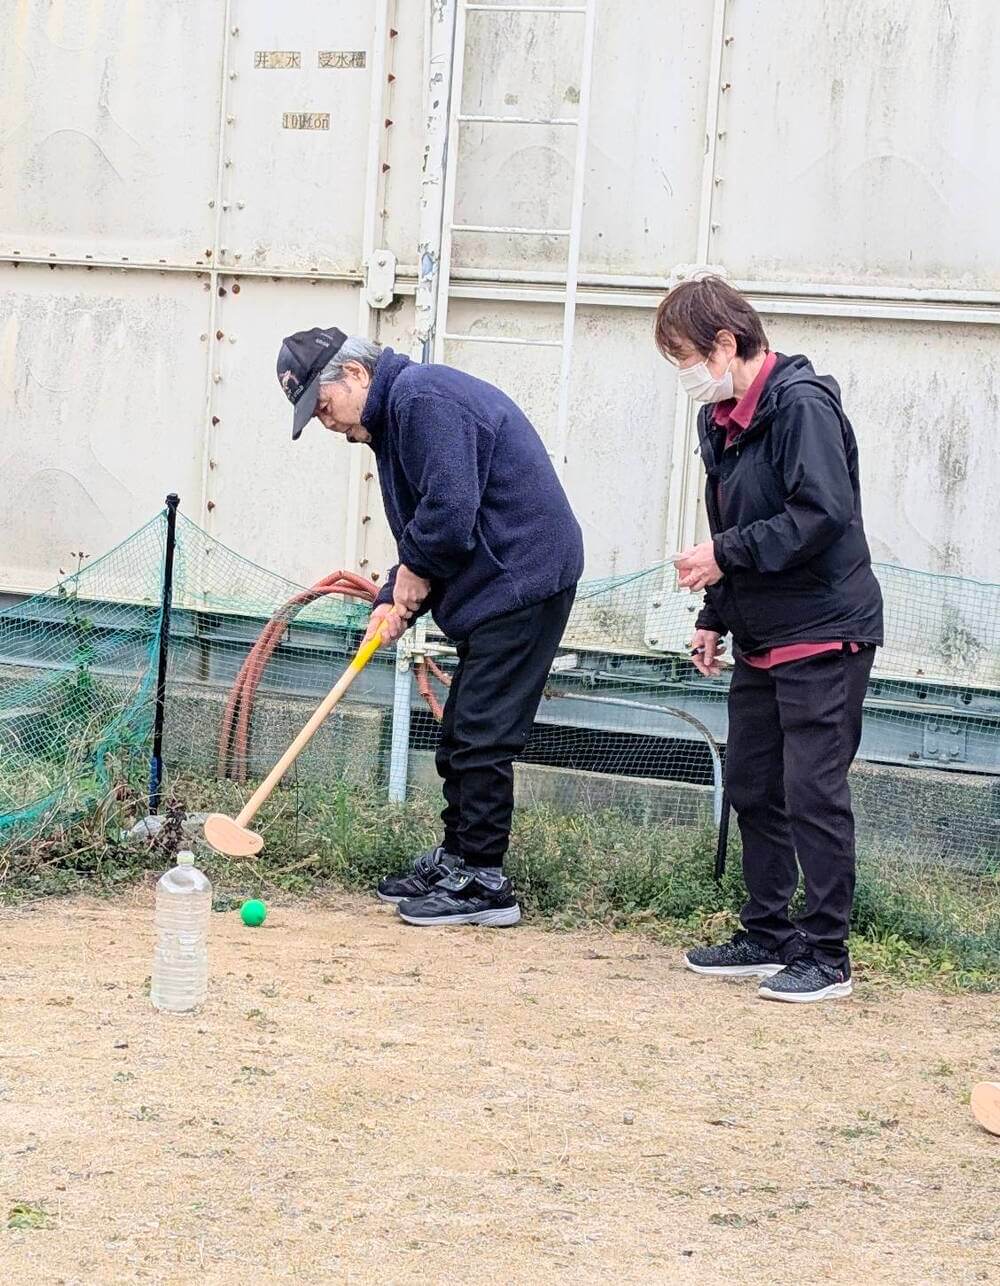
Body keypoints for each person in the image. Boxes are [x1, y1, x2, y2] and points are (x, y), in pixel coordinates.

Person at [275, 327, 584, 927]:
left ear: (356, 375)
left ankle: (484, 881)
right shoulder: (395, 420)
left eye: (323, 405)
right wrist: (392, 596)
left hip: (522, 579)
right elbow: (427, 525)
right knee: (462, 731)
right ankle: (458, 858)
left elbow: (449, 511)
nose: (326, 423)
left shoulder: (421, 399)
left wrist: (414, 576)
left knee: (481, 735)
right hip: (497, 584)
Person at [654, 276, 883, 1003]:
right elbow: (730, 525)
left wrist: (725, 557)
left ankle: (827, 954)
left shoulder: (802, 406)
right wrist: (714, 614)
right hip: (762, 632)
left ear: (726, 343)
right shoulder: (718, 420)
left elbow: (821, 514)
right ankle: (768, 933)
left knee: (813, 792)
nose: (686, 374)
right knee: (754, 784)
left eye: (686, 357)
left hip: (824, 629)